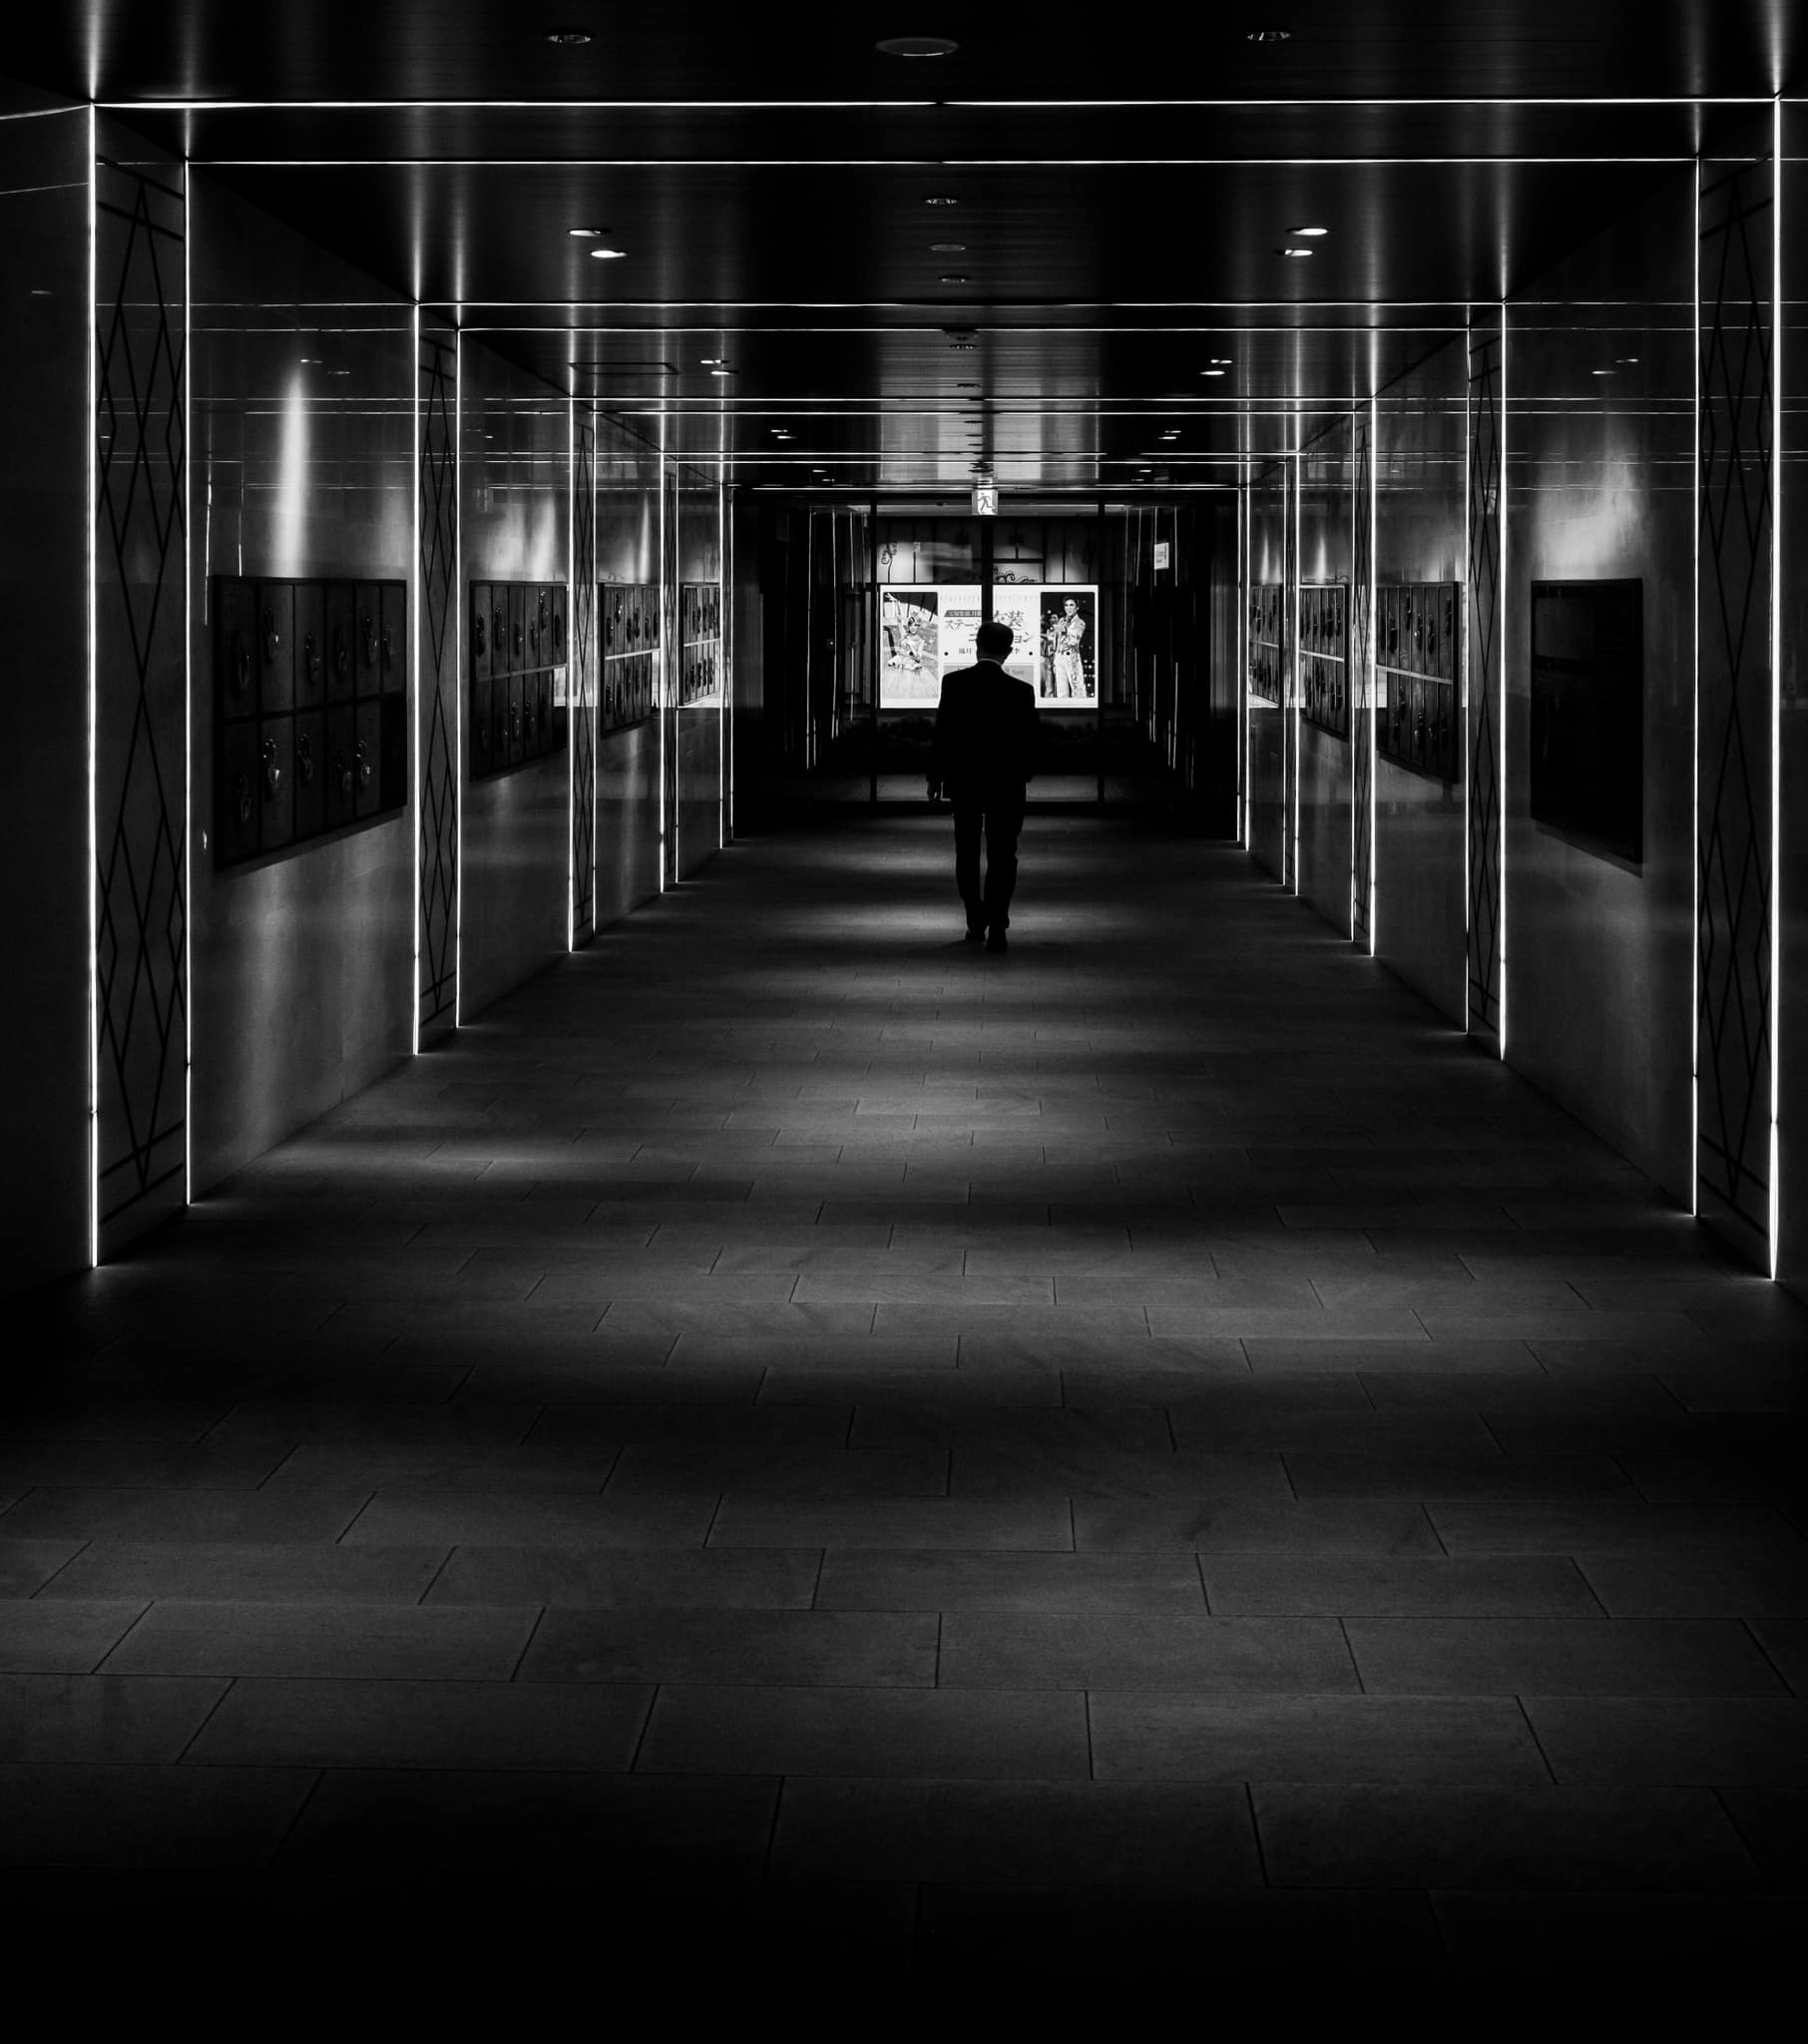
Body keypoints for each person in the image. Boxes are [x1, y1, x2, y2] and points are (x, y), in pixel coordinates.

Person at [927, 617, 1041, 953]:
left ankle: (975, 917)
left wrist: (936, 777)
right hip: (1006, 785)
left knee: (967, 851)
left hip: (965, 782)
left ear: (977, 646)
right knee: (1003, 853)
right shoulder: (1021, 691)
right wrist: (1024, 773)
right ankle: (998, 922)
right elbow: (1030, 741)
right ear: (1009, 651)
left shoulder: (954, 684)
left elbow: (942, 733)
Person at [1048, 596, 1088, 699]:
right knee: (1061, 689)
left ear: (1077, 607)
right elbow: (1056, 639)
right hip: (1059, 656)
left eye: (1071, 605)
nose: (1068, 607)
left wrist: (1066, 631)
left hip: (1072, 656)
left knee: (1077, 687)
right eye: (1066, 605)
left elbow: (1074, 641)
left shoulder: (1080, 622)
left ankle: (1081, 711)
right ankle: (1062, 711)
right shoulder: (1061, 620)